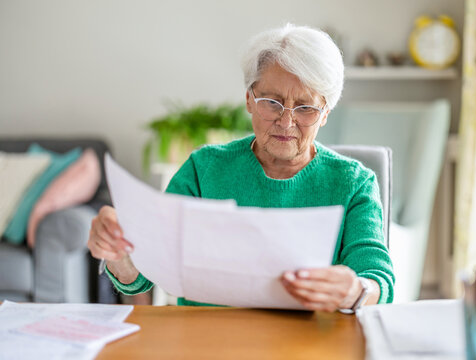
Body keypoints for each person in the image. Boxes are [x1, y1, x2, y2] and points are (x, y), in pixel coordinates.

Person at [88, 24, 394, 312]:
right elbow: (142, 275)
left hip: (309, 341)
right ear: (249, 100)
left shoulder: (354, 183)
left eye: (305, 108)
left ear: (325, 113)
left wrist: (356, 290)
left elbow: (378, 279)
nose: (286, 122)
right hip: (208, 341)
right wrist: (118, 254)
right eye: (272, 102)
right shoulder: (204, 168)